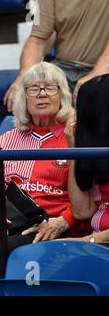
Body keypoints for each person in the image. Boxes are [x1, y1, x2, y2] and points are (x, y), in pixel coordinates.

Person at [0, 62, 91, 252]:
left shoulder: (74, 136)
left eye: (50, 87)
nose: (42, 94)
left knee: (0, 249)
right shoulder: (8, 138)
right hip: (9, 222)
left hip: (52, 225)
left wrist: (62, 222)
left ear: (62, 96)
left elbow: (89, 197)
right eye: (33, 89)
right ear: (24, 98)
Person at [4, 0, 109, 111]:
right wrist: (23, 78)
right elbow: (37, 41)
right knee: (33, 93)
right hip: (64, 68)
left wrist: (98, 73)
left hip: (103, 71)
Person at [65, 74, 109, 245]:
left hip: (97, 243)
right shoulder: (94, 148)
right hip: (98, 244)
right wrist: (73, 150)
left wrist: (87, 241)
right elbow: (82, 211)